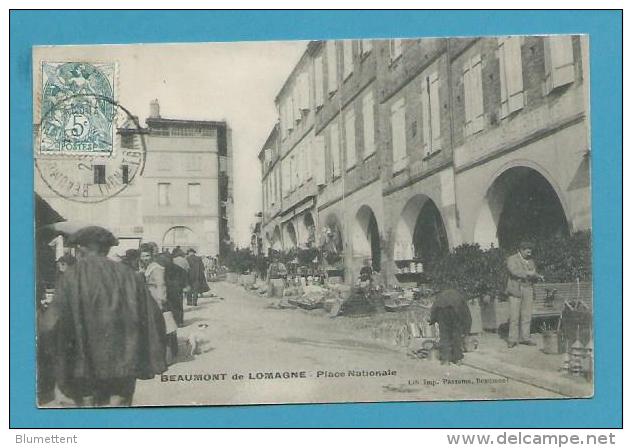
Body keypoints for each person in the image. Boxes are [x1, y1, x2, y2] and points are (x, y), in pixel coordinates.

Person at [52, 227, 167, 407]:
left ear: (81, 249)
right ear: (107, 248)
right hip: (124, 363)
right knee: (117, 412)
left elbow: (53, 323)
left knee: (86, 415)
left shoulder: (70, 277)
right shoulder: (130, 276)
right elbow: (154, 318)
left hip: (83, 365)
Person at [140, 243, 179, 364]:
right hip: (150, 299)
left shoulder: (156, 267)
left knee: (164, 329)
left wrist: (162, 302)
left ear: (151, 255)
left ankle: (167, 358)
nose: (145, 258)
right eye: (143, 256)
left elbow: (161, 284)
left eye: (147, 255)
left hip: (157, 300)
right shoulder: (148, 267)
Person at [505, 241, 544, 348]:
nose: (529, 252)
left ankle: (525, 338)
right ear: (521, 250)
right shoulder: (512, 259)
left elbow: (533, 273)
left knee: (527, 315)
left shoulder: (530, 260)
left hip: (528, 289)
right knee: (514, 316)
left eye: (530, 250)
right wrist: (528, 273)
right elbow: (514, 271)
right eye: (527, 250)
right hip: (516, 289)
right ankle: (512, 339)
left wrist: (537, 276)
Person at [429, 285, 472, 365]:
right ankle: (457, 359)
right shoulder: (459, 296)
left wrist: (433, 320)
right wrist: (466, 331)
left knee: (444, 336)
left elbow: (434, 308)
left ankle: (445, 359)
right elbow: (466, 315)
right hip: (455, 313)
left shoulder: (441, 296)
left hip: (441, 313)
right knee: (456, 336)